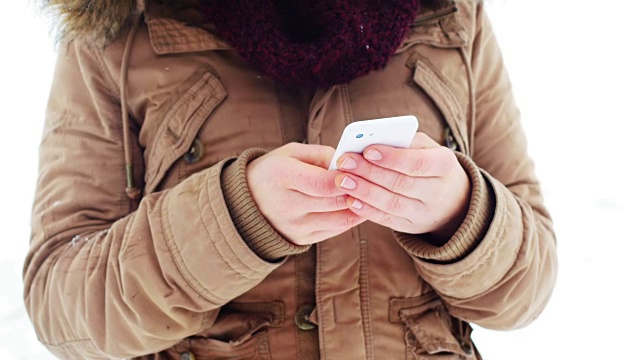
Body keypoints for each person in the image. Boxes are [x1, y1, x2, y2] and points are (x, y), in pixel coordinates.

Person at [24, 0, 558, 359]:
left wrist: (461, 214)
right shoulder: (117, 30)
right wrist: (234, 222)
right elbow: (61, 300)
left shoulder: (452, 16)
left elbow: (526, 292)